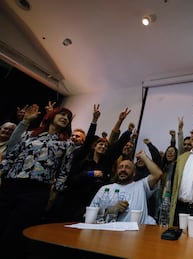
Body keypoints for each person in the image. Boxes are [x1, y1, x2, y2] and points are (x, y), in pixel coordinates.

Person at [0, 104, 75, 258]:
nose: (65, 118)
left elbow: (63, 172)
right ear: (51, 116)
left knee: (18, 231)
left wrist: (54, 194)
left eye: (68, 117)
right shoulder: (30, 135)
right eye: (62, 114)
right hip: (12, 183)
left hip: (36, 191)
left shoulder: (67, 144)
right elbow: (11, 156)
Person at [90, 151, 162, 224]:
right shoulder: (104, 189)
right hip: (109, 233)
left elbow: (157, 174)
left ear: (134, 173)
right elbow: (90, 215)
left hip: (137, 233)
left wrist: (144, 156)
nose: (123, 170)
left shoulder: (142, 186)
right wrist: (110, 210)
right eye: (120, 167)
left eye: (127, 167)